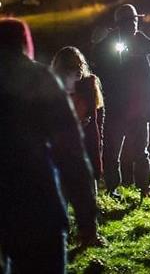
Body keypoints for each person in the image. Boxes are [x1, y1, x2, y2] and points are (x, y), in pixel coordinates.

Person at [0, 18, 99, 273]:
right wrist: (86, 217)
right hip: (38, 206)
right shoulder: (40, 79)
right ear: (24, 43)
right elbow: (71, 153)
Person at [93, 4, 150, 198]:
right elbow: (99, 70)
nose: (132, 24)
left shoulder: (147, 46)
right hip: (116, 108)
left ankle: (144, 188)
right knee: (112, 152)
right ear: (119, 24)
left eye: (134, 20)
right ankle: (113, 189)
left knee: (141, 151)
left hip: (139, 108)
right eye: (128, 21)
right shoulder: (107, 46)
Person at [51, 46, 106, 184]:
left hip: (84, 153)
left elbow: (97, 126)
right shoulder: (52, 92)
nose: (78, 70)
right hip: (61, 156)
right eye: (72, 67)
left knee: (87, 197)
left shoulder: (88, 89)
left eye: (79, 65)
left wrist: (97, 159)